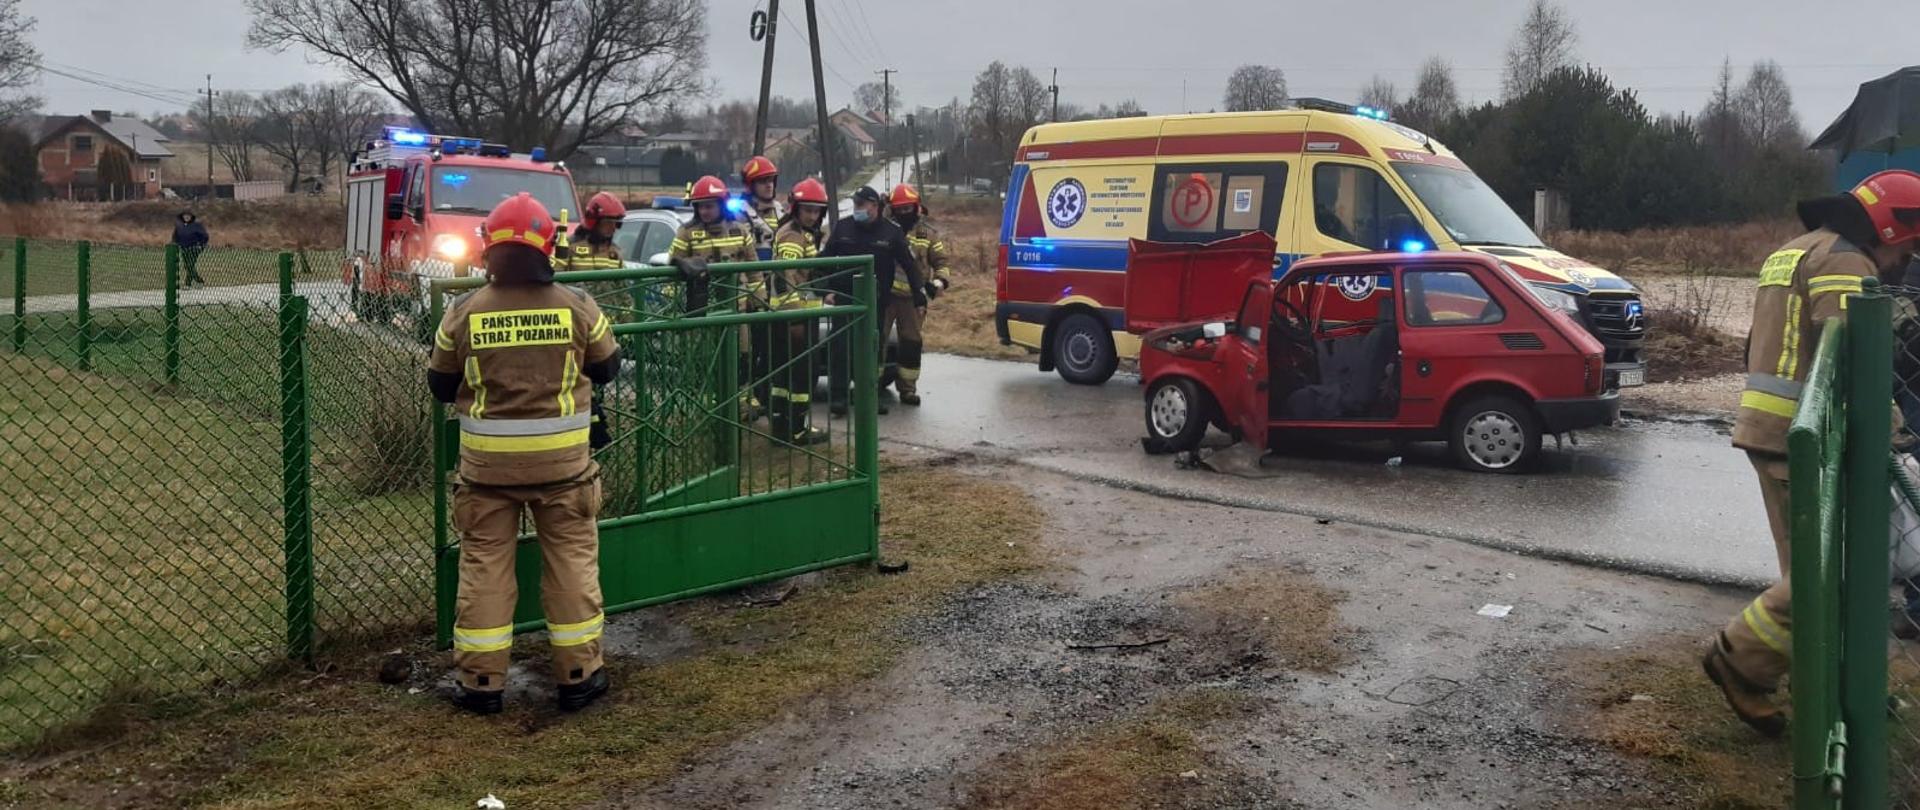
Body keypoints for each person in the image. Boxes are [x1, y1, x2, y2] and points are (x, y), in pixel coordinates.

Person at [1703, 169, 1920, 736]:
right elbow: (1848, 355)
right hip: (1804, 439)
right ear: (1895, 230)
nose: (1908, 262)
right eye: (1913, 246)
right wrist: (1895, 430)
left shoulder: (1795, 249)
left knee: (1810, 573)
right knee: (1829, 577)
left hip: (1774, 430)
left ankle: (1835, 692)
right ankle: (1739, 657)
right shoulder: (1848, 263)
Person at [426, 193, 622, 715]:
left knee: (486, 569)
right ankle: (579, 676)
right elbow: (607, 368)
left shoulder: (463, 311)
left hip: (487, 471)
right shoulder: (578, 305)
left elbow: (441, 385)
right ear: (548, 247)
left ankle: (482, 682)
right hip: (565, 470)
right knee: (572, 566)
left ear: (488, 248)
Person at [821, 186, 925, 416]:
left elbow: (909, 265)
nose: (857, 209)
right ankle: (838, 398)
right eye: (855, 204)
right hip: (845, 298)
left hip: (876, 301)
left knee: (871, 350)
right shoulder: (844, 227)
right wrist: (823, 290)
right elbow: (824, 260)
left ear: (874, 206)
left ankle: (869, 396)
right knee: (840, 348)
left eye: (861, 205)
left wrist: (919, 294)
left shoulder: (891, 232)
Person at [668, 176, 761, 418]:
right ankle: (709, 408)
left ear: (722, 204)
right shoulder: (687, 232)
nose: (705, 211)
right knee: (707, 360)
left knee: (742, 358)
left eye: (710, 205)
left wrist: (758, 299)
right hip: (704, 309)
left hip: (737, 308)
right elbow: (671, 263)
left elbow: (754, 269)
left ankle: (740, 405)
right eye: (700, 206)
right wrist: (683, 263)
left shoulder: (740, 230)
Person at [557, 192, 628, 450]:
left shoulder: (614, 254)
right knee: (579, 380)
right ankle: (592, 432)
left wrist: (628, 323)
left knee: (594, 382)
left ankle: (592, 431)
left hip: (602, 330)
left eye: (615, 224)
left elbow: (622, 292)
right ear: (593, 221)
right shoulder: (572, 247)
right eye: (608, 222)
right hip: (574, 327)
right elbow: (556, 280)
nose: (612, 229)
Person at [767, 178, 832, 445]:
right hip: (795, 317)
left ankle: (782, 429)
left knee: (785, 377)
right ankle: (797, 429)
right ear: (796, 209)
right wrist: (793, 316)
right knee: (803, 375)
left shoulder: (801, 233)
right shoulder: (793, 235)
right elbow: (785, 278)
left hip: (795, 315)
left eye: (817, 211)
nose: (812, 215)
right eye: (807, 210)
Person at [886, 184, 952, 407]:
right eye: (899, 209)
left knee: (912, 343)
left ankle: (907, 389)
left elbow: (941, 262)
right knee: (876, 342)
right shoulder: (884, 229)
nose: (904, 213)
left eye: (908, 208)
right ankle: (870, 388)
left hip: (913, 299)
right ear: (892, 209)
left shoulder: (928, 234)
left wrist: (939, 281)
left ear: (916, 207)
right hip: (885, 296)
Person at [741, 156, 784, 416]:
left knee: (772, 346)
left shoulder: (781, 209)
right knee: (752, 347)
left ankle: (766, 394)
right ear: (750, 185)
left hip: (778, 288)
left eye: (771, 180)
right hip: (751, 289)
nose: (768, 186)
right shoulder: (739, 212)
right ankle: (750, 398)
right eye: (762, 181)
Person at [172, 211, 208, 288]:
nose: (187, 217)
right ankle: (199, 280)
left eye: (188, 216)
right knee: (187, 266)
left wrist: (200, 245)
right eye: (185, 216)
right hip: (184, 248)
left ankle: (188, 283)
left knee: (190, 265)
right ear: (182, 217)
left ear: (191, 217)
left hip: (194, 248)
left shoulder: (197, 226)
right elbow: (175, 237)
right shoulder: (179, 227)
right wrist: (175, 243)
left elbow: (205, 236)